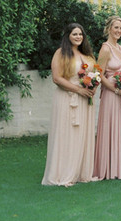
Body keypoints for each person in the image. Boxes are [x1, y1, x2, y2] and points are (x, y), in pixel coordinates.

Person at [42, 23, 98, 186]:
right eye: (75, 34)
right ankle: (63, 173)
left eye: (80, 34)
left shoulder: (86, 55)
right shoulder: (60, 54)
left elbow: (94, 74)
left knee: (82, 135)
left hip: (85, 100)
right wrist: (78, 90)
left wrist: (92, 86)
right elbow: (57, 78)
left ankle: (80, 172)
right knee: (66, 135)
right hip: (67, 99)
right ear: (67, 36)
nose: (78, 37)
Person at [93, 15, 121, 180]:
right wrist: (116, 91)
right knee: (111, 128)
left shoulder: (120, 48)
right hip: (111, 94)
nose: (118, 30)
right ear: (109, 28)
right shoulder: (106, 49)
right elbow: (99, 75)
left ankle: (120, 167)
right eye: (115, 27)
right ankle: (107, 168)